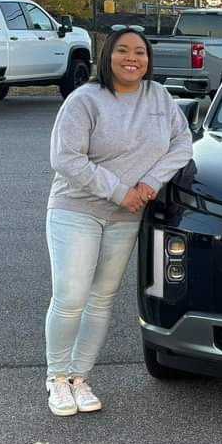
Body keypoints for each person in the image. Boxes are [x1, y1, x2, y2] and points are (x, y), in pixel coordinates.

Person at [43, 25, 193, 416]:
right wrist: (118, 190)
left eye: (140, 52)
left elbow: (182, 144)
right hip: (77, 210)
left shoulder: (159, 98)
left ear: (148, 60)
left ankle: (80, 377)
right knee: (72, 296)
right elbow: (66, 158)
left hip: (128, 214)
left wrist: (148, 184)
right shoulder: (84, 100)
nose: (132, 58)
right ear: (107, 57)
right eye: (123, 51)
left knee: (102, 299)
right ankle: (57, 378)